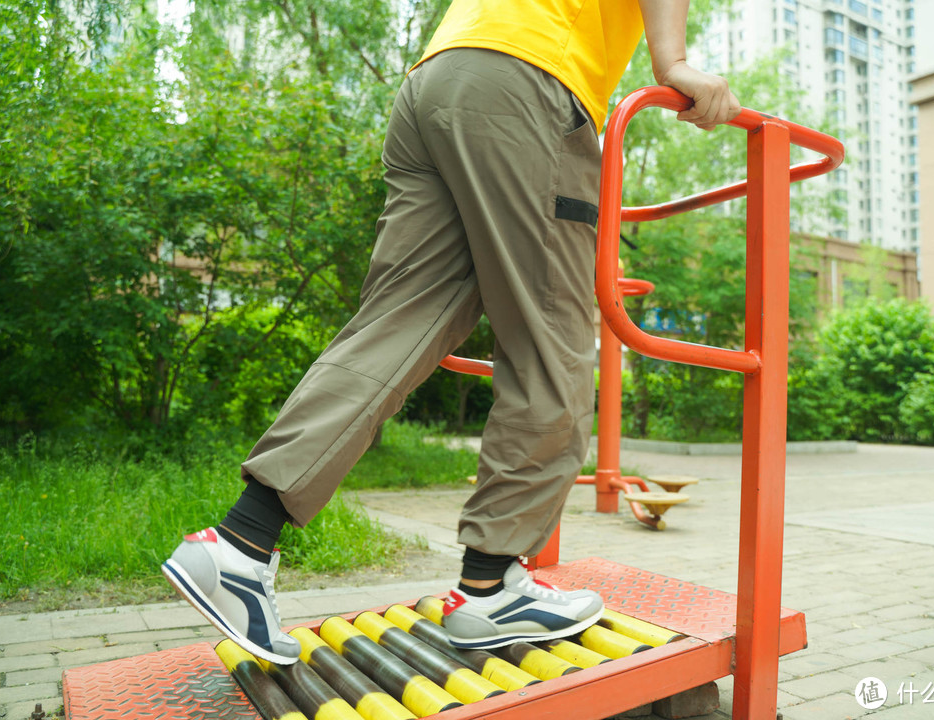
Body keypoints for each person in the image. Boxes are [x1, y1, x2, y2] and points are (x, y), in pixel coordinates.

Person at [162, 0, 740, 665]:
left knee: (396, 325)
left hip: (439, 76)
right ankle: (490, 587)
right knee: (550, 340)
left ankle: (240, 542)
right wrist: (675, 64)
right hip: (531, 84)